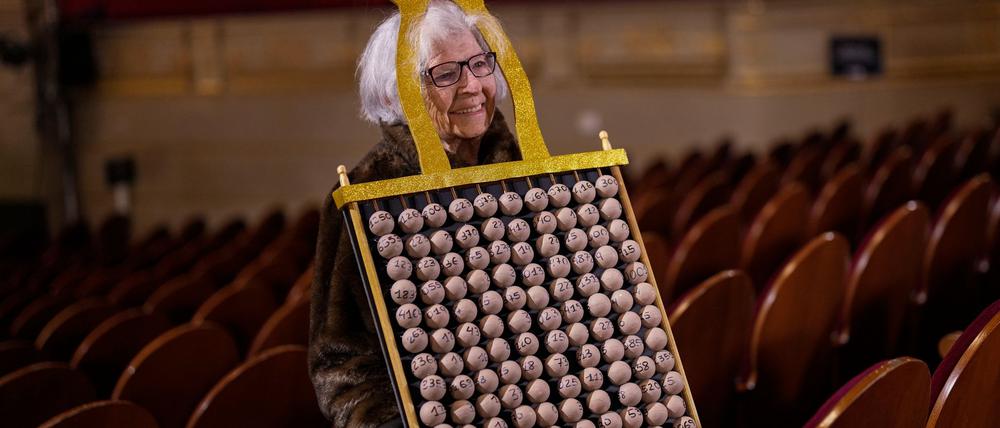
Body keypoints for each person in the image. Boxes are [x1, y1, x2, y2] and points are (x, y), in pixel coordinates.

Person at [309, 1, 521, 426]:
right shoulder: (365, 194)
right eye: (445, 74)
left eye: (479, 64)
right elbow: (341, 364)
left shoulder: (523, 172)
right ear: (394, 93)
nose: (473, 87)